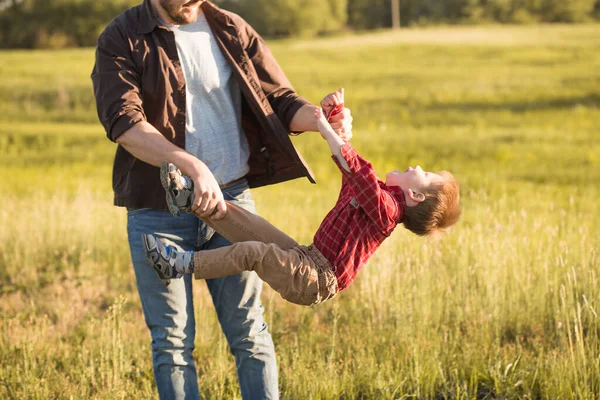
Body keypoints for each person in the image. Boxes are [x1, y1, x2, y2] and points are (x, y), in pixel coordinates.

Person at [91, 0, 353, 398]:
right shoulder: (121, 37)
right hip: (157, 208)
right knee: (172, 344)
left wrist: (320, 118)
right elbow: (125, 123)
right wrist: (190, 165)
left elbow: (279, 98)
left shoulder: (230, 27)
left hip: (232, 203)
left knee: (250, 332)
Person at [142, 106, 461, 306]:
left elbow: (358, 171)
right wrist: (335, 123)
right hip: (308, 257)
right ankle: (188, 199)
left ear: (416, 196)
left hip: (316, 280)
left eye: (426, 174)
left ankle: (178, 264)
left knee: (254, 253)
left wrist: (324, 128)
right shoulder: (377, 196)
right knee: (247, 223)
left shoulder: (388, 212)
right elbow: (349, 167)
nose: (418, 166)